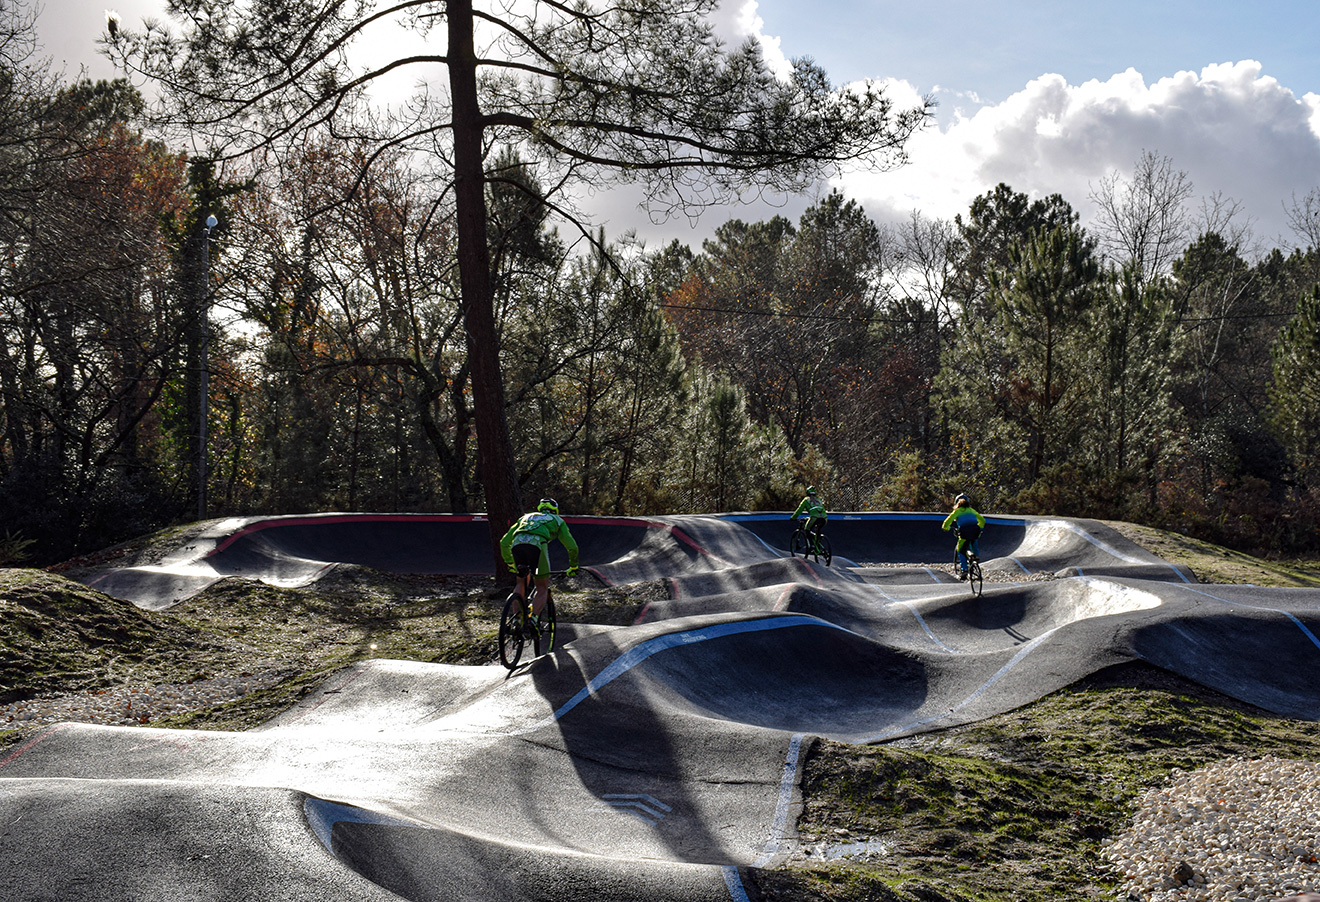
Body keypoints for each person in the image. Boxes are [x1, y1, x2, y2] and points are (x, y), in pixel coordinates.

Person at [499, 498, 579, 621]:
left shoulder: (525, 517)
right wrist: (573, 566)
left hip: (517, 544)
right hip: (537, 546)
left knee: (521, 582)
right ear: (555, 510)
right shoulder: (558, 520)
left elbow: (504, 542)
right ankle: (533, 619)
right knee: (541, 587)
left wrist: (510, 563)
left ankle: (516, 620)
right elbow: (572, 547)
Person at [942, 493, 986, 580]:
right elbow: (982, 520)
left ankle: (964, 570)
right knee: (974, 542)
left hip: (964, 532)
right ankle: (975, 561)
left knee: (961, 550)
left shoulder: (957, 511)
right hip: (975, 531)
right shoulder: (972, 510)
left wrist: (946, 528)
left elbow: (946, 522)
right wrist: (979, 528)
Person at [790, 486, 828, 553]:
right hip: (824, 518)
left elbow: (799, 510)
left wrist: (793, 517)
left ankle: (812, 546)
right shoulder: (819, 499)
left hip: (814, 518)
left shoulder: (806, 500)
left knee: (807, 529)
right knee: (818, 530)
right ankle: (818, 545)